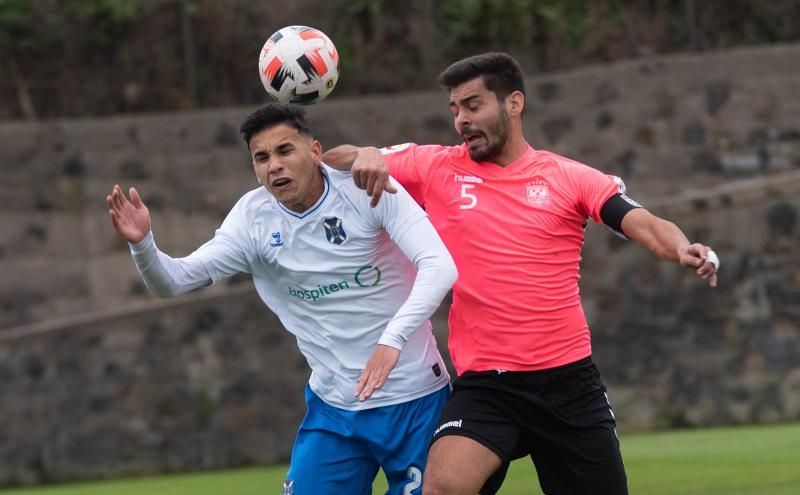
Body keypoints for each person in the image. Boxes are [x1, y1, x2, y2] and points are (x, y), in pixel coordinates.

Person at [322, 52, 720, 495]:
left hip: (568, 383)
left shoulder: (568, 177)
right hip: (488, 387)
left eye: (474, 105)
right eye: (455, 110)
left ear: (514, 103)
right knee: (443, 488)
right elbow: (339, 159)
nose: (462, 121)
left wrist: (683, 247)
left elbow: (639, 221)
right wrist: (371, 154)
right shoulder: (435, 166)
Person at [106, 103, 457, 495]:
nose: (274, 165)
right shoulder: (252, 221)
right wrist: (143, 246)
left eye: (284, 150)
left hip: (414, 399)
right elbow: (174, 281)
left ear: (315, 151)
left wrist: (391, 341)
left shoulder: (368, 187)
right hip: (334, 410)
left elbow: (440, 267)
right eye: (262, 157)